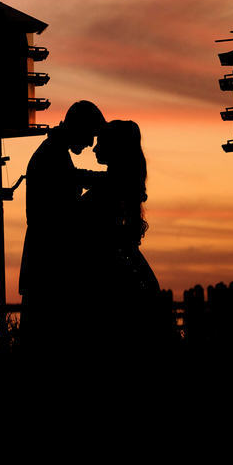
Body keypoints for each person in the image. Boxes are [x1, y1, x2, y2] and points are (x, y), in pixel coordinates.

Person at [18, 100, 106, 349]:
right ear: (79, 128)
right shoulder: (52, 155)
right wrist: (108, 181)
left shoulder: (53, 151)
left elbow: (75, 178)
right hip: (48, 264)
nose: (90, 144)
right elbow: (70, 195)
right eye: (90, 135)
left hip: (44, 262)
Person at [77, 119, 160, 347]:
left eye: (100, 143)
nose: (94, 148)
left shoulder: (110, 189)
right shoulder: (120, 184)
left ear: (114, 147)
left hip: (108, 282)